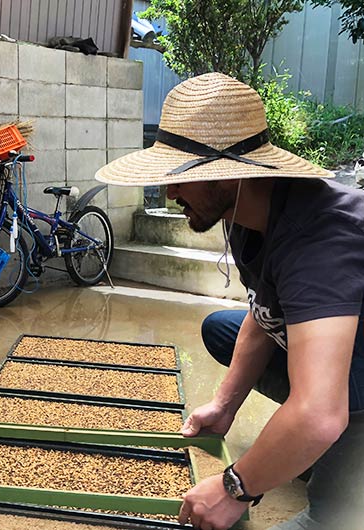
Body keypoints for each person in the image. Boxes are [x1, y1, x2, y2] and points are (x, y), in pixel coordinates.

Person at [95, 72, 364, 530]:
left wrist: (234, 487)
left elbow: (320, 414)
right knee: (222, 327)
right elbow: (264, 313)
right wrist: (225, 404)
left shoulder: (321, 238)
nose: (170, 192)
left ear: (233, 174)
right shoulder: (244, 212)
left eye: (184, 177)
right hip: (348, 344)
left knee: (332, 515)